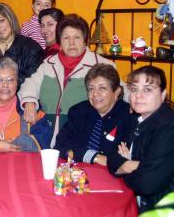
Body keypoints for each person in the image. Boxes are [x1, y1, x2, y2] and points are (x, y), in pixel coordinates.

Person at [18, 14, 115, 147]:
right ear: (60, 42)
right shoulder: (48, 63)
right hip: (47, 135)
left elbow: (121, 91)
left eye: (77, 37)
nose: (71, 43)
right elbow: (30, 83)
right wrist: (29, 101)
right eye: (66, 38)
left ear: (85, 40)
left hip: (81, 138)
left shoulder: (102, 65)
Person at [107, 66, 174, 214]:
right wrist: (134, 165)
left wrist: (124, 168)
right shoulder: (132, 119)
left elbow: (147, 183)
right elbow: (111, 156)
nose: (138, 96)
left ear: (163, 95)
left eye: (147, 90)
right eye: (134, 89)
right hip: (139, 204)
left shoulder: (169, 126)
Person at [55, 64, 134, 165]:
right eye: (91, 88)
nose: (95, 94)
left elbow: (128, 157)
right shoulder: (78, 112)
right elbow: (61, 145)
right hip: (79, 171)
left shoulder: (129, 115)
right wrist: (95, 157)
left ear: (116, 92)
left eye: (102, 88)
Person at [0, 3, 44, 97]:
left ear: (10, 18)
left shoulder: (32, 48)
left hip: (20, 104)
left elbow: (32, 81)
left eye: (1, 21)